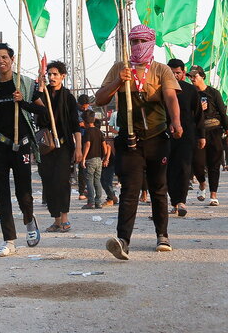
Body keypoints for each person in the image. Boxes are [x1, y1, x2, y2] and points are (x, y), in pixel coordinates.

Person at [95, 25, 182, 259]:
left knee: (158, 188)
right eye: (133, 42)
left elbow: (171, 97)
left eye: (142, 41)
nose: (137, 46)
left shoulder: (161, 70)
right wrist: (117, 83)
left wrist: (176, 121)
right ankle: (123, 240)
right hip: (129, 140)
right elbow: (100, 99)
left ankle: (162, 235)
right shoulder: (119, 68)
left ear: (151, 42)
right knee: (130, 190)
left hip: (156, 137)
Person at [0, 43, 40, 256]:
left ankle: (29, 219)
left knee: (24, 195)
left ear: (12, 59)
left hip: (20, 146)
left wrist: (23, 102)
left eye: (5, 57)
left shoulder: (27, 84)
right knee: (2, 195)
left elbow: (44, 111)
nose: (1, 61)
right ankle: (9, 241)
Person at [31, 61, 82, 232]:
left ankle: (65, 218)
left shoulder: (68, 98)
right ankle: (56, 219)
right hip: (46, 145)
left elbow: (76, 125)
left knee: (61, 181)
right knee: (48, 181)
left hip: (64, 145)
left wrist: (79, 148)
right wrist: (39, 84)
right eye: (49, 74)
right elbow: (36, 107)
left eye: (55, 74)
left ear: (62, 76)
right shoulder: (43, 94)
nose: (52, 77)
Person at [165, 59, 204, 218]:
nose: (174, 75)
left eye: (178, 73)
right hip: (165, 135)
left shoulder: (190, 90)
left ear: (183, 72)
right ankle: (173, 201)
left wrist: (201, 135)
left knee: (184, 167)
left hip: (187, 135)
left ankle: (181, 201)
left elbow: (198, 115)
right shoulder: (161, 89)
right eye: (171, 72)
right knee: (167, 169)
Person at [190, 65, 228, 206]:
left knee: (214, 163)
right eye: (191, 76)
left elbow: (223, 113)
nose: (192, 79)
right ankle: (202, 183)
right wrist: (197, 109)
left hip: (214, 131)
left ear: (202, 76)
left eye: (195, 76)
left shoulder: (214, 93)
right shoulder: (190, 94)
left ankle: (213, 195)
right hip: (197, 132)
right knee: (197, 163)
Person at [80, 109, 106, 208]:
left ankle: (90, 202)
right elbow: (104, 145)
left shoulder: (87, 132)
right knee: (97, 181)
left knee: (89, 181)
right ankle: (98, 202)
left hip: (90, 159)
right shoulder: (99, 131)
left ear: (85, 122)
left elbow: (87, 144)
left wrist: (83, 158)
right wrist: (103, 157)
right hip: (98, 159)